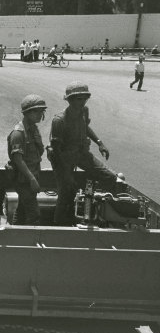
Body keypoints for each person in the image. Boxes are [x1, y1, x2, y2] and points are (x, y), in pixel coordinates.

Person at [48, 81, 119, 226]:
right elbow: (56, 151)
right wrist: (66, 175)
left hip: (82, 154)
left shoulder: (84, 111)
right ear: (69, 100)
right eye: (78, 99)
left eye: (84, 98)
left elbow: (85, 127)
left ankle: (91, 206)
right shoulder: (59, 120)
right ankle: (59, 224)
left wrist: (100, 143)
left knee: (110, 176)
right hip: (63, 157)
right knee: (65, 191)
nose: (82, 102)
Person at [7, 95, 48, 225]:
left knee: (22, 209)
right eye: (36, 111)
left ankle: (16, 233)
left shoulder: (33, 129)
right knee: (34, 214)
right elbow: (18, 160)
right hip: (24, 179)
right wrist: (32, 179)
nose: (40, 114)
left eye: (41, 111)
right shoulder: (18, 133)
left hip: (32, 175)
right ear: (27, 112)